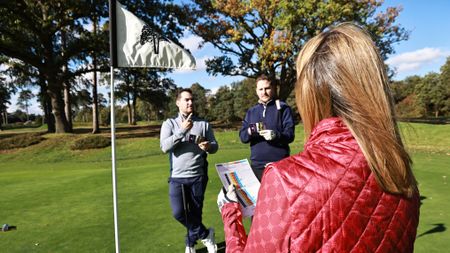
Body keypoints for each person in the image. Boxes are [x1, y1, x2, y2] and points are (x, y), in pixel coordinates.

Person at [217, 23, 420, 252]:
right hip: (258, 165)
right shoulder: (402, 173)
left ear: (309, 92)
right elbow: (244, 134)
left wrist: (231, 214)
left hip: (276, 168)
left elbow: (288, 134)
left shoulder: (286, 179)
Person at [160, 88, 218, 253]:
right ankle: (206, 234)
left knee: (195, 213)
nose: (190, 103)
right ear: (178, 102)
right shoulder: (169, 124)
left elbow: (215, 146)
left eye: (192, 100)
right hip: (177, 177)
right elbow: (165, 147)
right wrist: (182, 130)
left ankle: (190, 244)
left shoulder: (203, 124)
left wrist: (208, 146)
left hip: (198, 176)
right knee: (179, 213)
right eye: (186, 100)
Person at [239, 75, 295, 181]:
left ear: (273, 89)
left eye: (267, 88)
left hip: (280, 165)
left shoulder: (283, 108)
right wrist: (250, 131)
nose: (263, 92)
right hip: (257, 167)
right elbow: (243, 138)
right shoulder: (251, 111)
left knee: (280, 198)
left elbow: (290, 135)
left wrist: (276, 135)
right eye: (260, 89)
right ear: (256, 91)